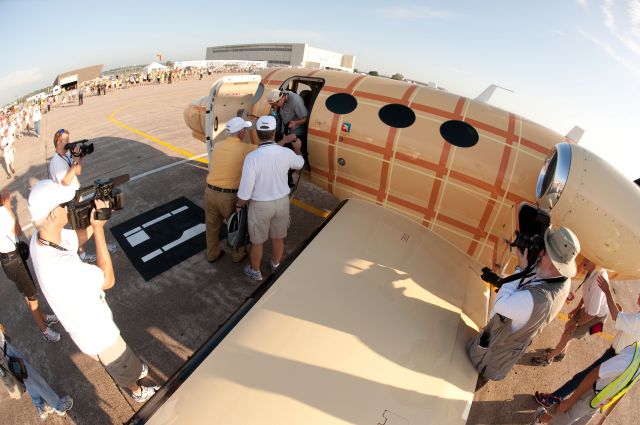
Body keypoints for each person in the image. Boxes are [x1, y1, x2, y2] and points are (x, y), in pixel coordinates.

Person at [28, 179, 159, 403]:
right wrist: (99, 230)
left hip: (85, 323)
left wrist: (98, 218)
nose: (69, 207)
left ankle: (134, 369)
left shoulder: (40, 239)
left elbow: (77, 238)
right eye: (64, 204)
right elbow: (107, 280)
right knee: (120, 363)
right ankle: (137, 390)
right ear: (51, 215)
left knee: (125, 359)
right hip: (98, 333)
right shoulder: (61, 267)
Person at [466, 226, 580, 385]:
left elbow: (500, 304)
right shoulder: (562, 280)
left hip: (489, 356)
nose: (540, 252)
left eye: (544, 251)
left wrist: (520, 269)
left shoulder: (537, 300)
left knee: (467, 380)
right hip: (503, 345)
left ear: (554, 262)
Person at [533, 277, 640, 411]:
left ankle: (554, 399)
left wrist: (607, 292)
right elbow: (625, 326)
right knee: (587, 383)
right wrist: (622, 314)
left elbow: (616, 318)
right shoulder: (637, 317)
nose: (638, 295)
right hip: (614, 355)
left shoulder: (638, 319)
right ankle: (561, 401)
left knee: (582, 379)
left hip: (615, 357)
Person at [236, 115, 305, 281]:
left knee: (257, 241)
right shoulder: (286, 152)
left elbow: (245, 190)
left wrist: (239, 205)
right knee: (278, 237)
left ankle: (255, 271)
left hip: (260, 206)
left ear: (259, 134)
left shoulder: (252, 158)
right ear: (274, 133)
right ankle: (275, 264)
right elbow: (300, 163)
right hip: (281, 203)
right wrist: (297, 148)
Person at [0, 188, 60, 342]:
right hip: (14, 261)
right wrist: (7, 207)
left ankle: (43, 317)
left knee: (27, 293)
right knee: (32, 295)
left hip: (9, 260)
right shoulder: (2, 214)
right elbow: (18, 231)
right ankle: (44, 330)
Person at [49, 129, 117, 262]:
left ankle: (92, 247)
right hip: (69, 201)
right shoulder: (56, 162)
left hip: (76, 196)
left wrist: (78, 158)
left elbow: (78, 172)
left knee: (85, 225)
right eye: (66, 140)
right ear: (58, 142)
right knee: (83, 227)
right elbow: (66, 181)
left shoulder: (67, 155)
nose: (69, 143)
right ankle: (83, 254)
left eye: (69, 139)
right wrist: (74, 161)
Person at [533, 341, 640, 424]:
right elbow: (595, 373)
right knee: (561, 422)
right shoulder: (629, 358)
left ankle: (542, 416)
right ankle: (541, 416)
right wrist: (570, 401)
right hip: (589, 396)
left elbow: (624, 389)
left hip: (598, 403)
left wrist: (604, 417)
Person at [532, 259, 609, 366]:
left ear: (596, 264)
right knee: (568, 328)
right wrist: (578, 308)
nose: (584, 261)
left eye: (588, 260)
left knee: (568, 332)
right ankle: (561, 353)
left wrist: (576, 324)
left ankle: (548, 358)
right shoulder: (592, 272)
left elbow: (593, 313)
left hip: (596, 319)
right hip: (590, 310)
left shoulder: (598, 282)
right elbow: (587, 293)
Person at [205, 117, 256, 263]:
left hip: (209, 192)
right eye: (244, 130)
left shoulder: (219, 145)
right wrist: (284, 141)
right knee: (237, 225)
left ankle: (212, 254)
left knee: (212, 226)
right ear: (240, 133)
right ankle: (238, 254)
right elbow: (266, 151)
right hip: (228, 196)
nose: (245, 132)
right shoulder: (245, 148)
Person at [1, 323, 73, 419]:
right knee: (34, 379)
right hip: (5, 352)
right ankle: (59, 406)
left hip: (4, 354)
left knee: (25, 377)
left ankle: (40, 405)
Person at [266, 88, 310, 185]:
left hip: (296, 132)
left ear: (281, 99)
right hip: (285, 131)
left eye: (275, 105)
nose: (274, 107)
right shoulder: (279, 100)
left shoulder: (295, 101)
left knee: (290, 156)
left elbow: (306, 118)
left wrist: (296, 123)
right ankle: (285, 177)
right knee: (282, 155)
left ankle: (287, 179)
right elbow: (276, 113)